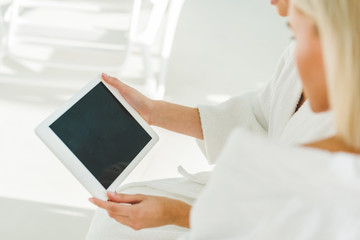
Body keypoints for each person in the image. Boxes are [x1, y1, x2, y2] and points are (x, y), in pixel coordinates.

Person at [85, 0, 335, 239]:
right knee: (114, 218)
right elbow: (255, 118)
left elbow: (307, 225)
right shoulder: (305, 48)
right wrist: (152, 111)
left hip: (279, 224)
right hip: (258, 195)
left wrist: (173, 213)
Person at [179, 0, 360, 239]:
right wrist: (152, 110)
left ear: (333, 42)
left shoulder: (293, 177)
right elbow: (259, 113)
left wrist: (178, 213)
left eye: (295, 36)